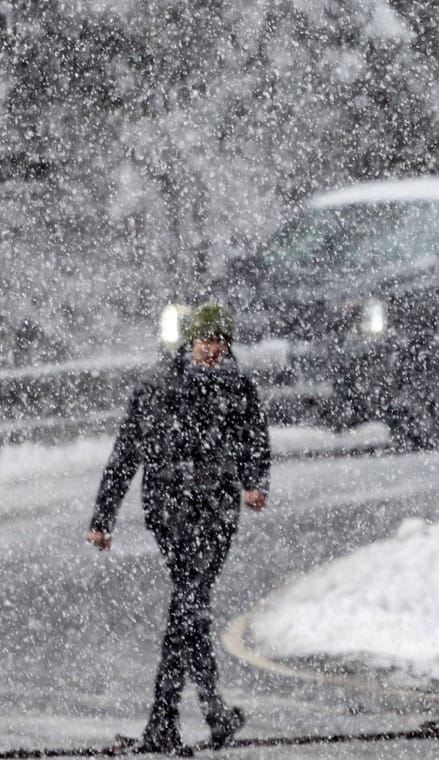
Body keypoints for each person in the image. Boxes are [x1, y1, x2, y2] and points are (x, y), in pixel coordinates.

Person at [88, 303, 270, 755]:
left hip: (217, 512)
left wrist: (254, 481)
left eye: (220, 342)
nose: (212, 349)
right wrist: (102, 518)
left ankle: (188, 719)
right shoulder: (158, 386)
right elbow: (126, 451)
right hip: (171, 512)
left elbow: (255, 438)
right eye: (205, 340)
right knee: (190, 605)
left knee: (190, 606)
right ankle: (183, 717)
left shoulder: (237, 384)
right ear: (189, 341)